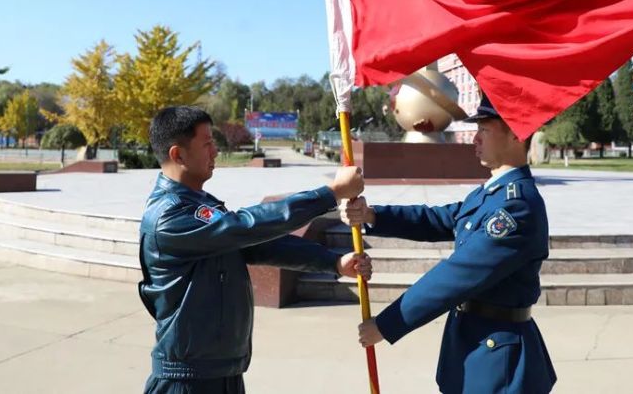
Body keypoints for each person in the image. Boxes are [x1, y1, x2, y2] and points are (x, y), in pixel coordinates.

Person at [139, 106, 371, 394]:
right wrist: (331, 193)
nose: (215, 151)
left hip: (223, 371)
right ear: (178, 154)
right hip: (187, 381)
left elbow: (259, 244)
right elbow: (246, 227)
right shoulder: (169, 216)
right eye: (207, 143)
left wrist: (333, 263)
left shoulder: (201, 206)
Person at [341, 93, 556, 394]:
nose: (475, 140)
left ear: (516, 135)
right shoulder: (492, 193)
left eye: (484, 130)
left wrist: (387, 324)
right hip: (474, 348)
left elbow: (457, 275)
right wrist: (372, 216)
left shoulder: (516, 207)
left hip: (498, 363)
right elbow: (442, 219)